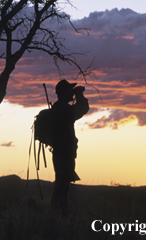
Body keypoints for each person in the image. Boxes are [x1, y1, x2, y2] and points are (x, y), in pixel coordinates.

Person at [50, 79, 89, 215]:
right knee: (62, 184)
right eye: (69, 91)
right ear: (64, 92)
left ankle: (59, 212)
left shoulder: (59, 107)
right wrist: (79, 95)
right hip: (63, 152)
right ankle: (58, 213)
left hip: (62, 151)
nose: (71, 94)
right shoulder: (62, 109)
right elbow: (82, 109)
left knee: (63, 184)